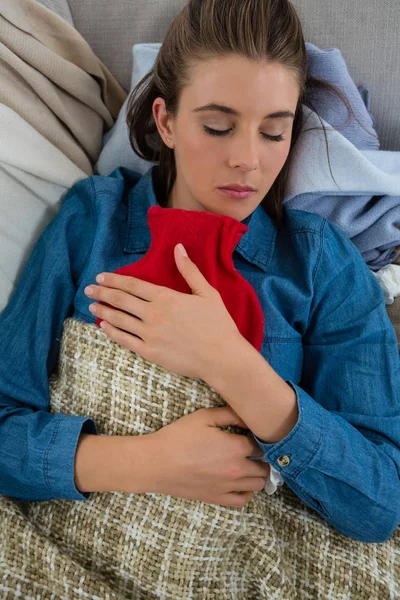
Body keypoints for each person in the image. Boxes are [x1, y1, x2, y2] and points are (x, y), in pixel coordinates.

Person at [0, 0, 399, 546]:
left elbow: (379, 503)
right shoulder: (91, 222)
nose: (247, 160)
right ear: (165, 120)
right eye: (217, 127)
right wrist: (145, 462)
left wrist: (231, 362)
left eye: (273, 133)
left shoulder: (320, 263)